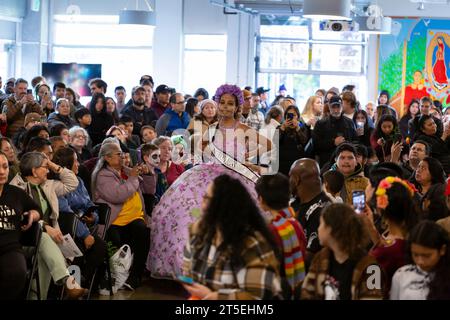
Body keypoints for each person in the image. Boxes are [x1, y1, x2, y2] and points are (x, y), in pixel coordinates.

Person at [148, 84, 271, 279]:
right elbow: (199, 152)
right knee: (187, 213)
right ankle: (189, 265)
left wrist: (249, 157)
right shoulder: (211, 129)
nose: (225, 107)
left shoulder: (243, 128)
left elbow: (268, 145)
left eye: (230, 104)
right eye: (222, 103)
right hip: (207, 177)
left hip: (235, 179)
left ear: (237, 106)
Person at [181, 174, 283, 300]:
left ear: (223, 206)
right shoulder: (199, 231)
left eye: (207, 198)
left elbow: (258, 296)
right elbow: (187, 273)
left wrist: (215, 297)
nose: (201, 204)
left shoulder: (253, 244)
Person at [10, 152, 87, 299]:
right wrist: (45, 227)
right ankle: (68, 281)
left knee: (42, 254)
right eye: (45, 167)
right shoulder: (17, 187)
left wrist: (54, 166)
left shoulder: (48, 185)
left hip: (45, 242)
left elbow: (73, 183)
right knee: (43, 237)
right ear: (34, 171)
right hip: (23, 241)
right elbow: (23, 217)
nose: (48, 170)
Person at [91, 142, 150, 289]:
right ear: (107, 158)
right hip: (114, 221)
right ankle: (113, 278)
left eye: (122, 153)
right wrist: (133, 178)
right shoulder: (102, 175)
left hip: (134, 217)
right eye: (118, 154)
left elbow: (150, 189)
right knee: (115, 240)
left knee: (143, 231)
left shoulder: (126, 170)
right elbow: (118, 195)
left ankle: (135, 276)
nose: (122, 156)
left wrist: (148, 173)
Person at [301, 203, 384, 300]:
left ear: (332, 229)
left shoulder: (371, 267)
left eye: (321, 224)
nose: (318, 229)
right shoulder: (321, 258)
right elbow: (306, 294)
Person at [52, 147, 107, 289]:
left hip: (83, 225)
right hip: (67, 228)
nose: (78, 164)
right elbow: (67, 213)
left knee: (100, 246)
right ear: (67, 164)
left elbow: (89, 204)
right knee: (78, 248)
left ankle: (82, 282)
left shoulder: (80, 181)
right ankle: (71, 287)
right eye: (75, 161)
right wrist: (85, 234)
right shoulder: (58, 186)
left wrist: (93, 217)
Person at [363, 176, 421, 297]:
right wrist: (371, 227)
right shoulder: (417, 237)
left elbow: (371, 293)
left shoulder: (382, 254)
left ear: (380, 207)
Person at [255, 173, 306, 298]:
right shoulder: (294, 223)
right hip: (298, 285)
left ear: (261, 199)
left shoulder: (271, 230)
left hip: (278, 291)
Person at [0, 151, 41, 300]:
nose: (2, 171)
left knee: (16, 273)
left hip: (10, 247)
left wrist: (32, 214)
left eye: (5, 167)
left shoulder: (16, 193)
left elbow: (38, 210)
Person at [390, 221, 450, 300]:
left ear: (442, 250)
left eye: (427, 256)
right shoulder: (401, 274)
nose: (420, 261)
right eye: (415, 254)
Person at [290, 158, 331, 266]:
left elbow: (309, 258)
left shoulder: (323, 211)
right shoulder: (294, 203)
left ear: (296, 179)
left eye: (290, 176)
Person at [312, 96, 357, 167]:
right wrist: (333, 142)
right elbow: (316, 145)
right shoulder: (321, 124)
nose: (336, 110)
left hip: (346, 162)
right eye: (333, 107)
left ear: (342, 107)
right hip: (327, 162)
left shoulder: (349, 123)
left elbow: (355, 141)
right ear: (329, 107)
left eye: (338, 107)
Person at [278, 105, 309, 176]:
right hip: (282, 163)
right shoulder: (280, 127)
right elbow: (275, 142)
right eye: (289, 115)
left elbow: (304, 142)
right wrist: (282, 128)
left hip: (297, 162)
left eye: (294, 115)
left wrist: (297, 128)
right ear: (285, 116)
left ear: (298, 116)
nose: (291, 117)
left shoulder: (302, 127)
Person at [414, 157, 449, 221]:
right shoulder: (411, 189)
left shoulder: (440, 193)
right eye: (418, 167)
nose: (418, 170)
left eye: (423, 168)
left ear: (433, 173)